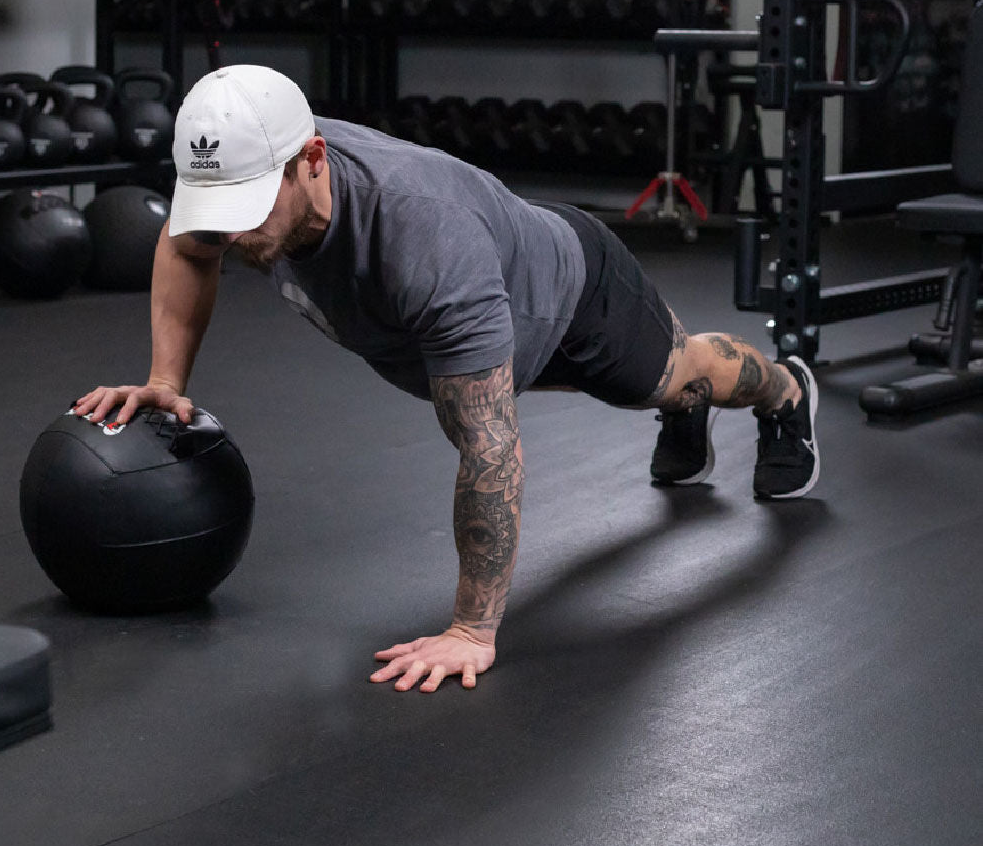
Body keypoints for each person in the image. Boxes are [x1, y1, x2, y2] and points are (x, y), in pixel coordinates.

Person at [76, 65, 820, 694]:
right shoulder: (247, 161)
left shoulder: (423, 239)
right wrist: (165, 380)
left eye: (247, 209)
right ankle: (689, 409)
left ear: (313, 159)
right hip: (485, 301)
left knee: (674, 374)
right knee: (507, 378)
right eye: (221, 207)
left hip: (576, 299)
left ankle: (785, 392)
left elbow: (492, 452)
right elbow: (188, 245)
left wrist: (471, 630)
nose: (233, 232)